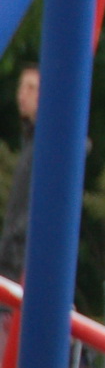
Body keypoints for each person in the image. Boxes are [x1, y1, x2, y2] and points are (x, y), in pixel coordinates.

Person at [0, 63, 39, 286]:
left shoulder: (49, 147)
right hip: (13, 256)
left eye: (31, 88)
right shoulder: (30, 143)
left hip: (22, 260)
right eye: (21, 87)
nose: (22, 95)